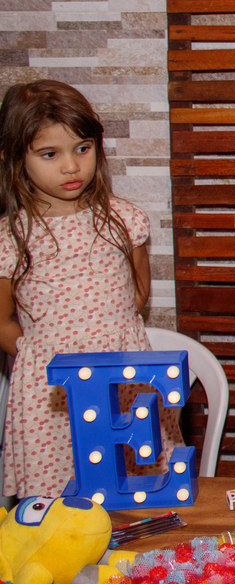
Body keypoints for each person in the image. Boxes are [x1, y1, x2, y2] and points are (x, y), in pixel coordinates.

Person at [0, 79, 183, 497]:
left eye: (82, 148)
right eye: (50, 154)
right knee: (60, 505)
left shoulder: (124, 220)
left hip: (123, 380)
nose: (71, 166)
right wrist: (38, 353)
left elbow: (137, 293)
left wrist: (111, 334)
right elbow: (2, 321)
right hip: (52, 392)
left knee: (138, 489)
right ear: (14, 157)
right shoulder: (10, 239)